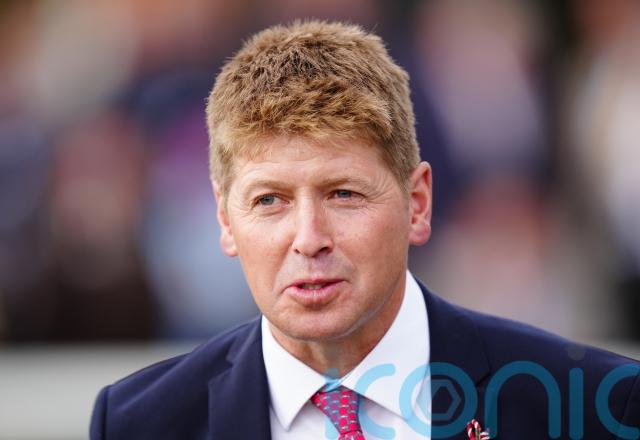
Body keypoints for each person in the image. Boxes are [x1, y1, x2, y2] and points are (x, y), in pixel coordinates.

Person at [90, 21, 640, 439]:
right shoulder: (140, 424)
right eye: (269, 200)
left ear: (417, 204)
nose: (309, 238)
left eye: (343, 194)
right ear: (225, 220)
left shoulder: (590, 405)